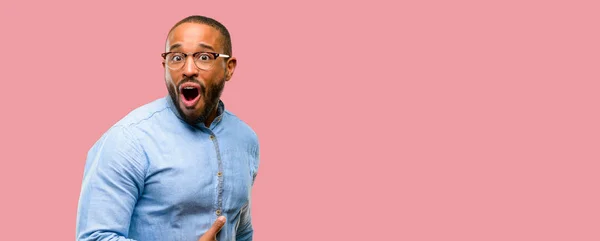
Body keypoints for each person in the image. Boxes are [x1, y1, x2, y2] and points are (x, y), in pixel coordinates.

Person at [75, 15, 260, 241]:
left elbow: (241, 230)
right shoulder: (128, 140)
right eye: (177, 57)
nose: (188, 69)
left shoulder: (246, 139)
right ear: (165, 66)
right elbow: (95, 237)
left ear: (228, 68)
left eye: (204, 57)